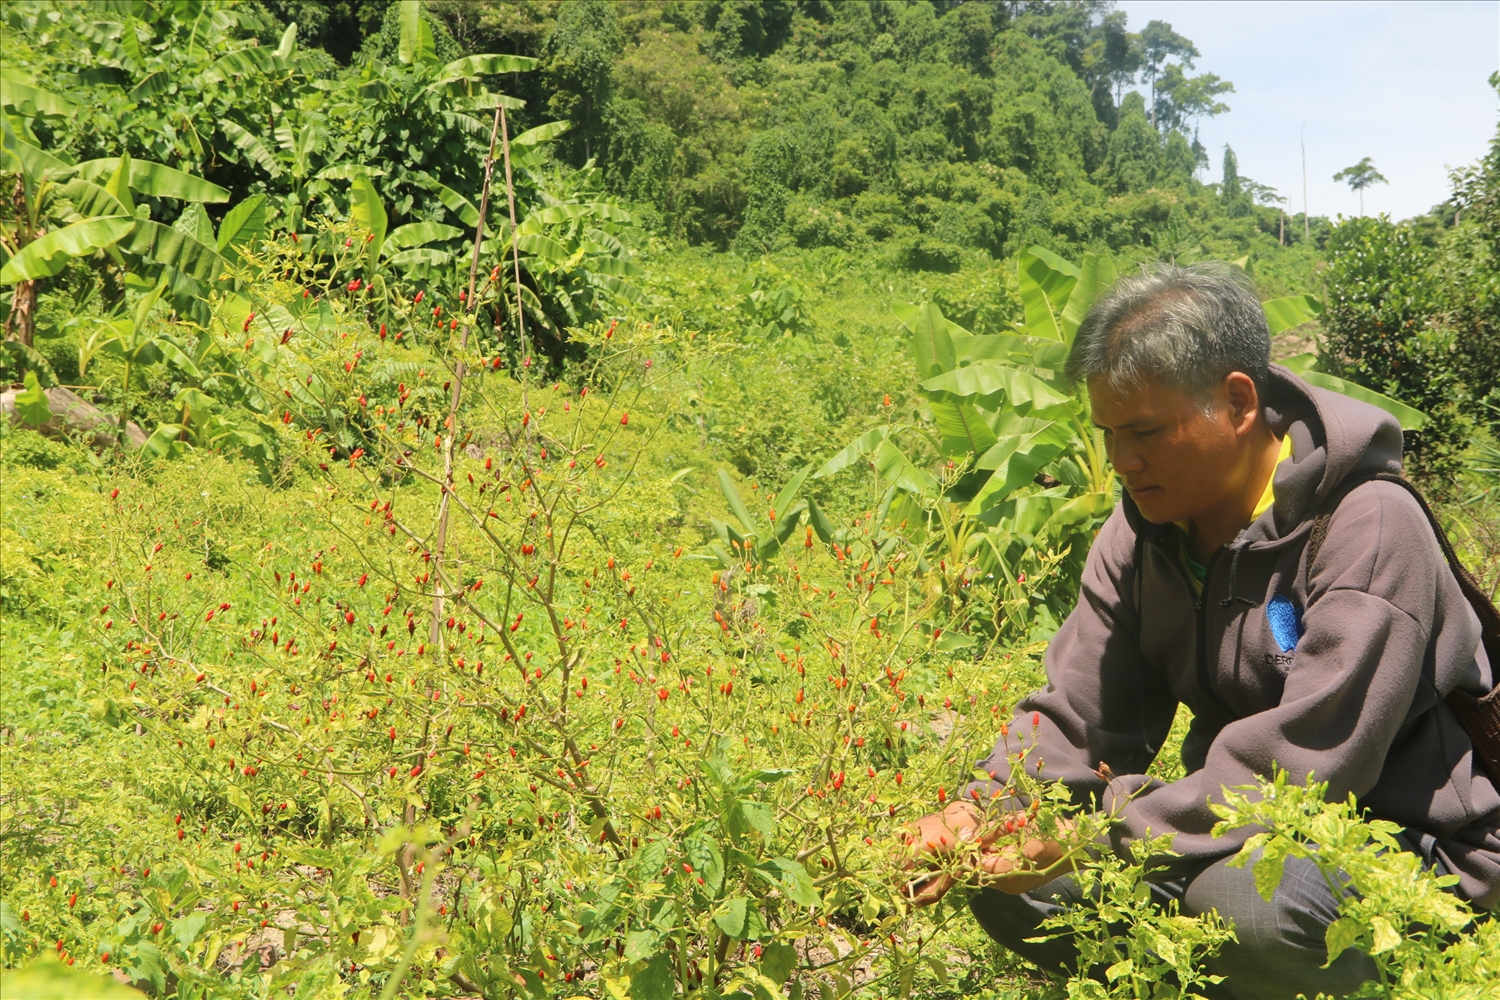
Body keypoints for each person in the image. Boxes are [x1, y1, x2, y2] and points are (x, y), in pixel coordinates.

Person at [902, 263, 1498, 999]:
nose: (1123, 462)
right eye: (1110, 435)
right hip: (1243, 832)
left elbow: (1308, 766)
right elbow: (1080, 712)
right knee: (1003, 881)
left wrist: (1093, 837)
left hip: (1415, 851)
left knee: (1242, 903)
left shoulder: (1367, 523)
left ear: (1238, 402)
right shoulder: (1145, 529)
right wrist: (985, 810)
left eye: (1145, 432)